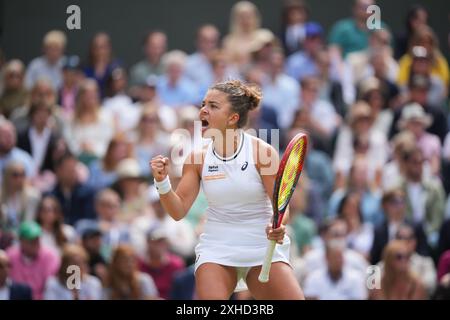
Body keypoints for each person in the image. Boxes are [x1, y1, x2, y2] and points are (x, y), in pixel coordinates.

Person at [151, 79, 304, 299]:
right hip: (217, 247)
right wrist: (162, 182)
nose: (203, 109)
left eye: (213, 106)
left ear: (233, 118)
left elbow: (281, 206)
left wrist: (278, 224)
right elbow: (178, 211)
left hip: (261, 246)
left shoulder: (263, 152)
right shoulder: (196, 159)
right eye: (204, 104)